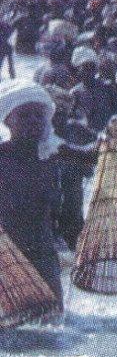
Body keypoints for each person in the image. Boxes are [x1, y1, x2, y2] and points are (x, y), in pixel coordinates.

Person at [0, 80, 68, 295]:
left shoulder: (52, 156)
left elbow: (92, 153)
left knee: (54, 319)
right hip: (6, 257)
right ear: (8, 120)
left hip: (43, 253)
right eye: (24, 116)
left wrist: (113, 139)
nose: (33, 122)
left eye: (39, 116)